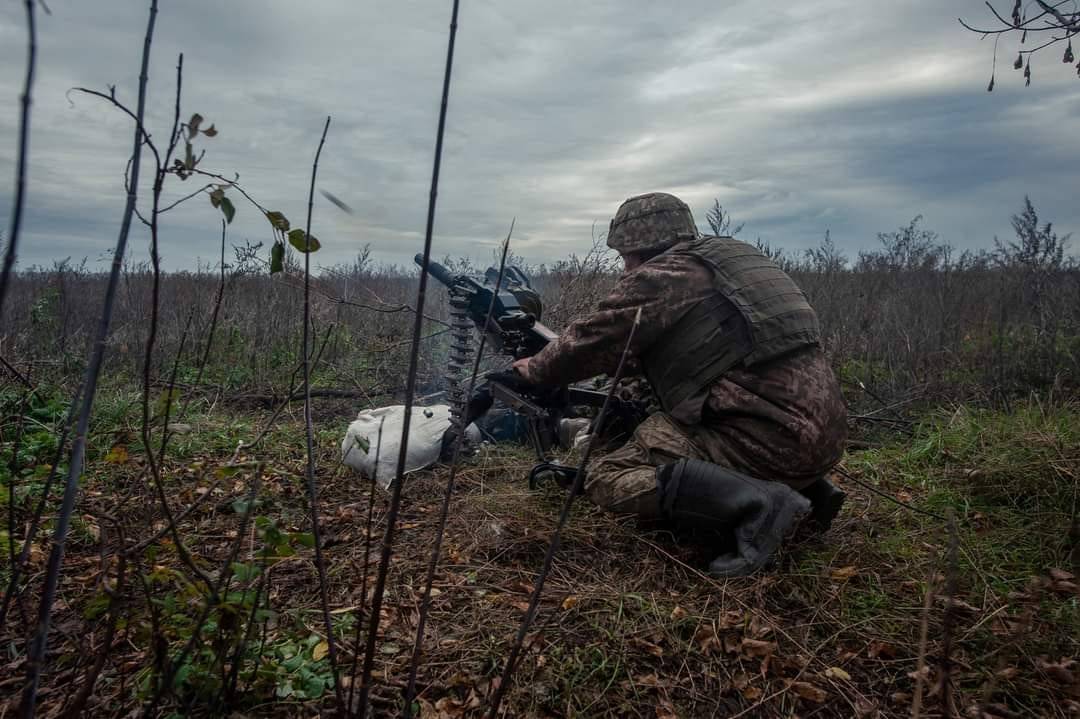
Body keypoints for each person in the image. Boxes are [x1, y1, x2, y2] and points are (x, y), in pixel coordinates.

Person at [511, 192, 848, 577]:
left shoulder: (666, 275)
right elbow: (699, 350)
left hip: (767, 441)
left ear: (640, 247)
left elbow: (594, 339)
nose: (625, 270)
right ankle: (807, 489)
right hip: (820, 435)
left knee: (605, 475)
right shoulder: (732, 260)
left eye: (625, 258)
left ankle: (763, 505)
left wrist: (535, 369)